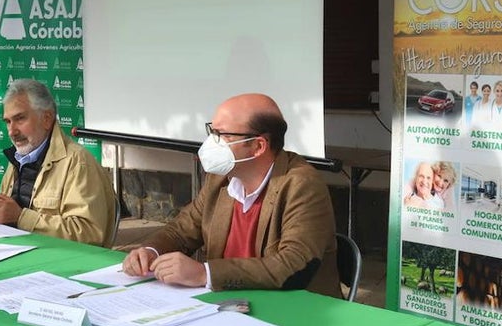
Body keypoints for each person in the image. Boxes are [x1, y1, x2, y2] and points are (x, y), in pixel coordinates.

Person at [121, 93, 339, 297]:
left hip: (294, 310)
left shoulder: (302, 185)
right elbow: (181, 231)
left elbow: (293, 265)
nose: (211, 143)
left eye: (221, 134)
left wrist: (204, 274)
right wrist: (150, 251)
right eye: (212, 131)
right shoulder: (221, 178)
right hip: (227, 306)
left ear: (258, 146)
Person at [0, 79, 116, 246]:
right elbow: (12, 218)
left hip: (63, 264)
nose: (12, 131)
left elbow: (89, 233)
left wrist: (20, 217)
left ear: (47, 119)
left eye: (20, 119)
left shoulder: (77, 162)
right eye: (8, 122)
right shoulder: (18, 159)